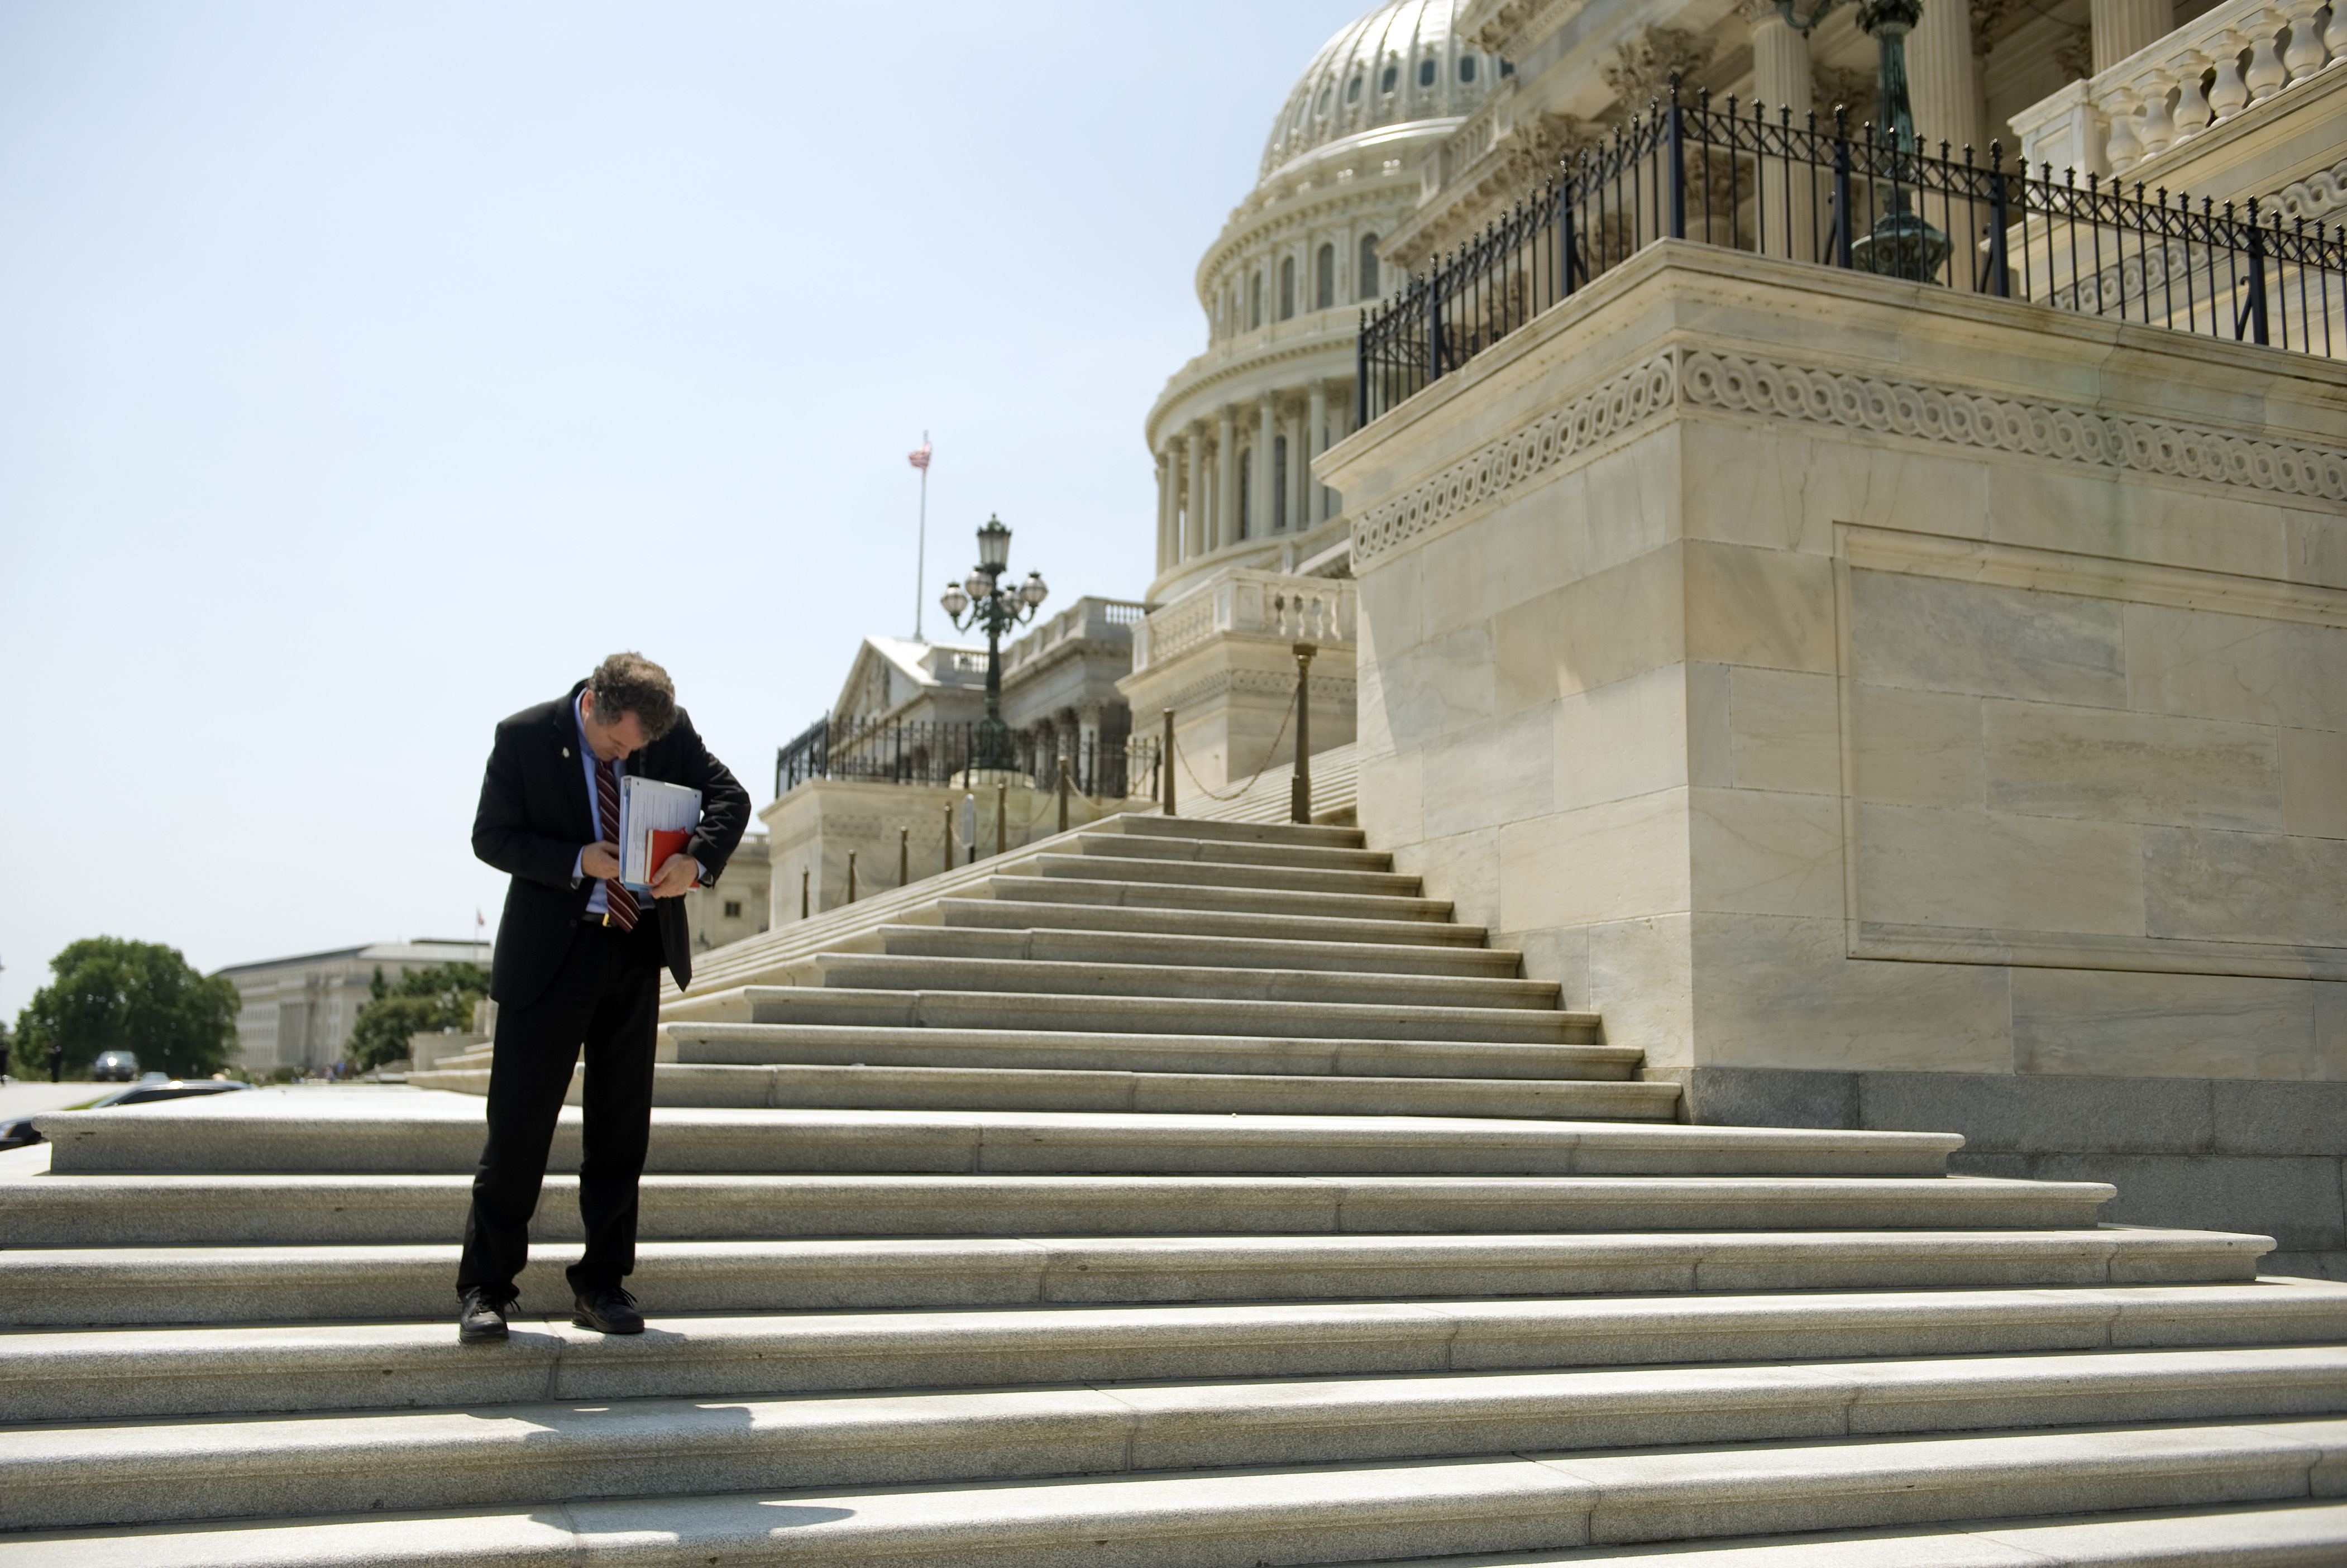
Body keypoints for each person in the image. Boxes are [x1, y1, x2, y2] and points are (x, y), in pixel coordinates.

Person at [456, 652, 749, 1344]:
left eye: (640, 749)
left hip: (634, 950)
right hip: (550, 954)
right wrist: (577, 860)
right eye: (619, 747)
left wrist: (698, 861)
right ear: (591, 704)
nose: (630, 757)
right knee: (520, 1127)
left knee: (621, 1133)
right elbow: (491, 837)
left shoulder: (663, 733)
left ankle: (602, 1283)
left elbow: (729, 798)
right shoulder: (523, 736)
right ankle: (486, 1287)